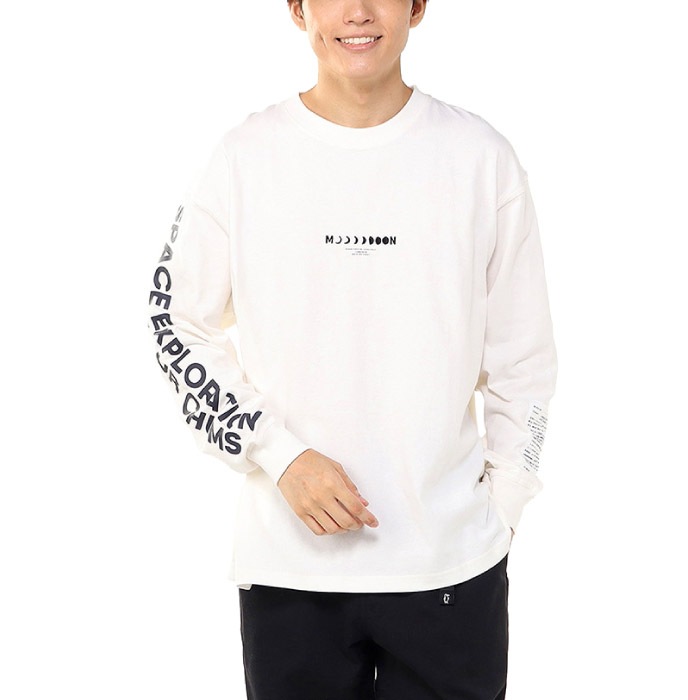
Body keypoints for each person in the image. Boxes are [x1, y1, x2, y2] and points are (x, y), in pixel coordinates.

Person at [146, 1, 558, 697]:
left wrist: (505, 505)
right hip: (290, 571)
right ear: (297, 9)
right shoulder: (244, 158)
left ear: (417, 6)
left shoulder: (481, 159)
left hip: (451, 570)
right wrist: (279, 455)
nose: (358, 12)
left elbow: (525, 358)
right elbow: (174, 320)